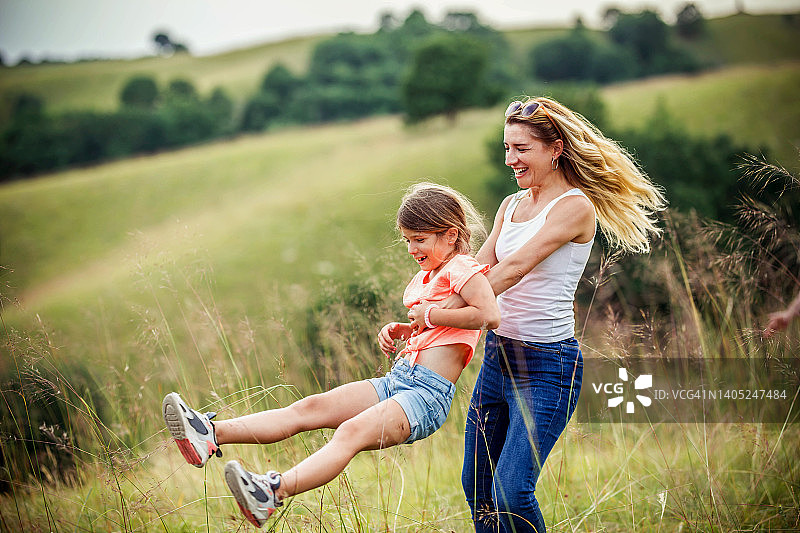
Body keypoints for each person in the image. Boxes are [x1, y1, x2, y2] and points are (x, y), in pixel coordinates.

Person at [161, 182, 501, 528]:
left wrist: (429, 316)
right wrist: (404, 329)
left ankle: (270, 491)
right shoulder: (429, 275)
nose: (411, 248)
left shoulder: (462, 268)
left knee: (350, 432)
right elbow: (444, 326)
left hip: (426, 395)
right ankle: (209, 432)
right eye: (407, 240)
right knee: (310, 407)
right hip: (399, 380)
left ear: (450, 234)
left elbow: (489, 315)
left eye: (419, 239)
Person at [449, 97, 666, 533]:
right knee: (478, 486)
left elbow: (512, 269)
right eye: (507, 147)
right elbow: (477, 271)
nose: (511, 159)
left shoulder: (574, 207)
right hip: (498, 359)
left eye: (522, 149)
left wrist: (436, 315)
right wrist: (427, 314)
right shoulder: (510, 206)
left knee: (512, 491)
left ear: (555, 149)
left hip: (547, 367)